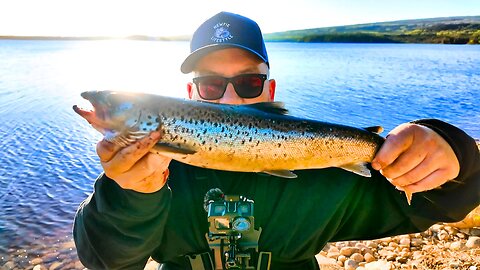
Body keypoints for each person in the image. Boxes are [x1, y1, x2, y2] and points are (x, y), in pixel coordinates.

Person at [73, 11, 480, 270]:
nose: (231, 98)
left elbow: (441, 203)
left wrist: (452, 151)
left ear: (270, 90)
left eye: (248, 82)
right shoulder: (144, 169)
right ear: (192, 94)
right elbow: (105, 261)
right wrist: (130, 192)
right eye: (212, 85)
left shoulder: (325, 172)